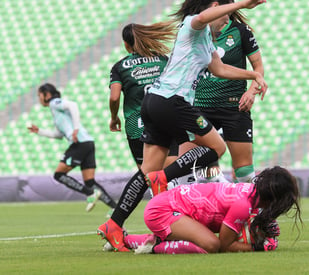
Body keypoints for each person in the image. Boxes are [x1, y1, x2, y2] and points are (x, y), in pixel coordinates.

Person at [97, 0, 268, 252]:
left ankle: (113, 224)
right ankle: (163, 178)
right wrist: (244, 3)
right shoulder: (192, 25)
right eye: (226, 14)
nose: (226, 21)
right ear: (215, 6)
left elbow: (219, 69)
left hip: (155, 102)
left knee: (147, 172)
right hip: (173, 102)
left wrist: (254, 75)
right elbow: (204, 17)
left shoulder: (206, 41)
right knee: (216, 148)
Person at [107, 166, 301, 254]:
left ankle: (126, 239)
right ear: (274, 197)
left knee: (205, 240)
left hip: (171, 206)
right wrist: (257, 247)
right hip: (162, 210)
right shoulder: (244, 204)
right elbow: (225, 245)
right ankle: (153, 247)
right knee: (210, 245)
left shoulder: (251, 193)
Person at [180, 8, 264, 183]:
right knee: (190, 169)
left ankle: (250, 209)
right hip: (199, 106)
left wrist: (251, 92)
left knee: (246, 174)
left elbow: (258, 68)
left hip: (234, 106)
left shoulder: (241, 31)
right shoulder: (195, 30)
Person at [28, 83, 117, 213]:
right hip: (88, 143)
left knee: (59, 174)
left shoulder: (54, 103)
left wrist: (76, 128)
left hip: (80, 143)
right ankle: (115, 208)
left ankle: (89, 193)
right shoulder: (56, 112)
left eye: (39, 95)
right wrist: (39, 131)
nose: (39, 98)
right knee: (90, 181)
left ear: (47, 95)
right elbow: (58, 135)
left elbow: (73, 105)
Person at [109, 22, 178, 169]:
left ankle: (158, 192)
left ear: (126, 44)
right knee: (171, 170)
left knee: (147, 175)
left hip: (138, 126)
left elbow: (114, 97)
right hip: (166, 120)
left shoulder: (120, 67)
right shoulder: (163, 60)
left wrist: (114, 118)